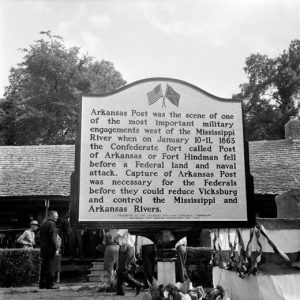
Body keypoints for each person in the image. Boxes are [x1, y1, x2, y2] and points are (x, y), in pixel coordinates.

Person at [116, 229, 143, 296]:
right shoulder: (132, 227)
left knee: (122, 270)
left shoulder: (124, 227)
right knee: (120, 270)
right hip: (129, 249)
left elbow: (116, 237)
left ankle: (137, 284)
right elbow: (133, 242)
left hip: (125, 249)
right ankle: (120, 291)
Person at [39, 210, 59, 289]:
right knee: (50, 266)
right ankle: (50, 284)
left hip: (43, 247)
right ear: (51, 216)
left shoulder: (43, 223)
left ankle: (42, 284)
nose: (57, 218)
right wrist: (56, 248)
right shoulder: (52, 223)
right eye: (56, 216)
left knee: (44, 266)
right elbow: (53, 237)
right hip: (50, 248)